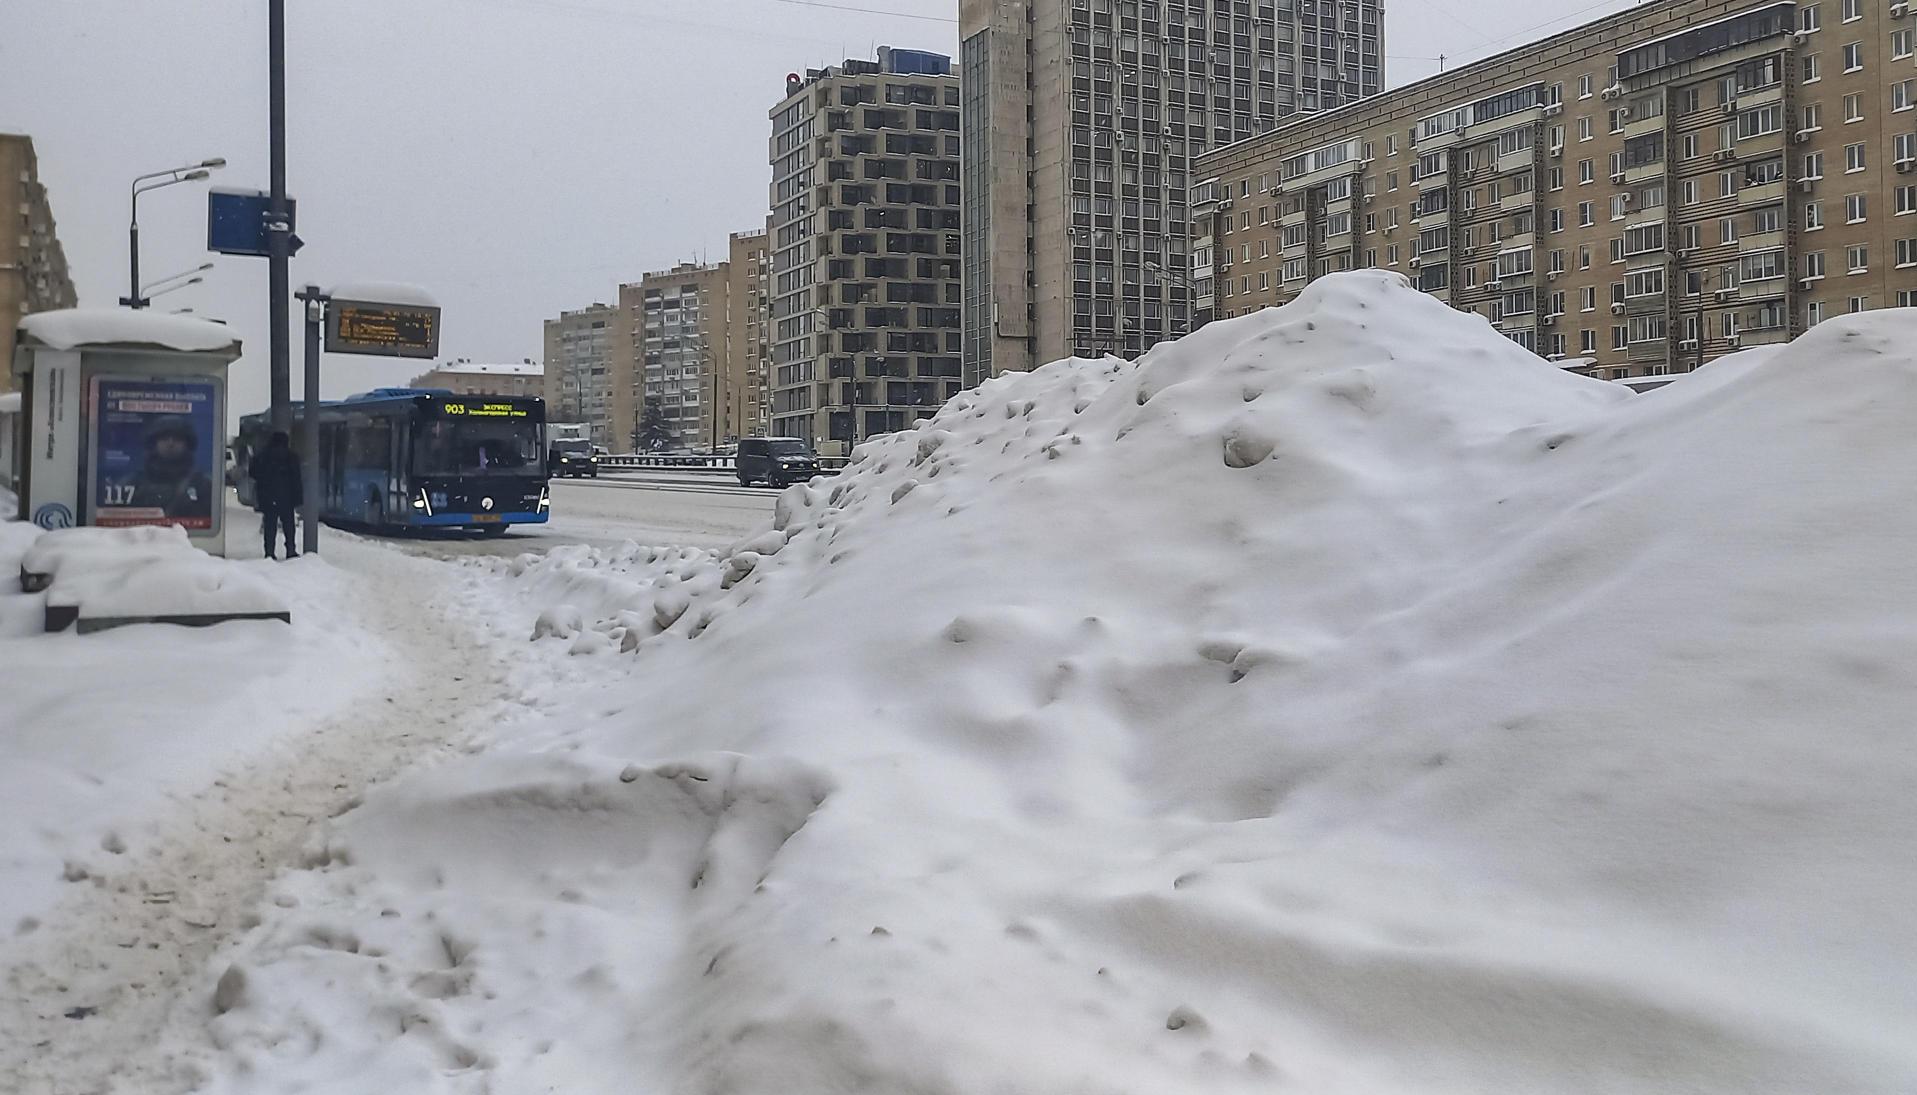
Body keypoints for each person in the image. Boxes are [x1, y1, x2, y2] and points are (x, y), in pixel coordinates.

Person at [128, 416, 215, 522]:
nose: (170, 443)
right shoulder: (134, 483)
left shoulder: (201, 485)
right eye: (164, 438)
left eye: (177, 439)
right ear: (154, 443)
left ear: (187, 445)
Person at [248, 431, 303, 560]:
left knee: (270, 526)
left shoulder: (263, 456)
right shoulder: (291, 457)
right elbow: (296, 479)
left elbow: (253, 472)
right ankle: (290, 549)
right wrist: (297, 498)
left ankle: (269, 552)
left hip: (268, 497)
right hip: (287, 498)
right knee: (288, 525)